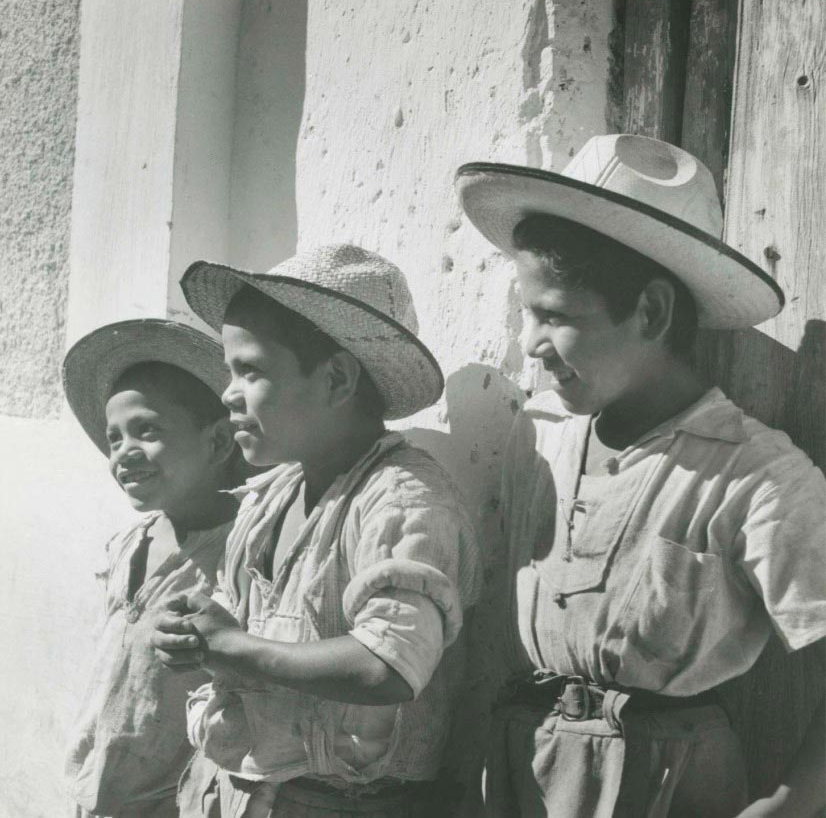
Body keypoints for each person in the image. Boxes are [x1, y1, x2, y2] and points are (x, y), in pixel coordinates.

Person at [455, 134, 826, 817]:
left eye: (555, 315)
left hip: (667, 781)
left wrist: (793, 801)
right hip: (528, 770)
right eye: (525, 312)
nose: (530, 344)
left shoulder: (753, 473)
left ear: (651, 311)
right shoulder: (539, 434)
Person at [151, 244, 481, 817]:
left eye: (250, 370)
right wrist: (199, 637)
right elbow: (239, 627)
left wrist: (234, 648)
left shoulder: (402, 500)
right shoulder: (273, 494)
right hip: (249, 793)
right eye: (230, 371)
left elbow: (386, 666)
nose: (228, 393)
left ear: (335, 379)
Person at [63, 319, 242, 818]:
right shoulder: (128, 544)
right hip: (96, 793)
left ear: (219, 443)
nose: (124, 453)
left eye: (148, 430)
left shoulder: (239, 554)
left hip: (175, 804)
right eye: (114, 438)